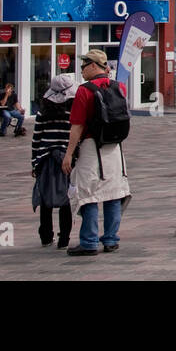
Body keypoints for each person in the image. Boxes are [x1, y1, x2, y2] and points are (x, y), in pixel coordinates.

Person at [61, 50, 131, 257]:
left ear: (93, 66)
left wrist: (68, 154)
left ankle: (89, 241)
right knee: (113, 194)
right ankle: (111, 239)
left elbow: (77, 126)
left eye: (84, 65)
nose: (81, 69)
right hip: (115, 148)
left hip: (92, 147)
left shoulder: (84, 91)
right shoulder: (120, 87)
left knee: (89, 194)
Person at [32, 73, 76, 248]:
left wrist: (34, 162)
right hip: (66, 158)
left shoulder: (43, 111)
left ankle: (46, 236)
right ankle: (64, 238)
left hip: (45, 157)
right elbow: (75, 135)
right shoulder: (72, 111)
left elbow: (36, 138)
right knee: (66, 199)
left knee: (45, 198)